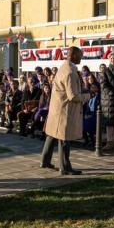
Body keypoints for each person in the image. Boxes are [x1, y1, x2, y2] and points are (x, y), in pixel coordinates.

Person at [40, 47, 88, 175]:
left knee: (52, 134)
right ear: (73, 56)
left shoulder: (63, 67)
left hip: (57, 108)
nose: (81, 58)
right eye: (80, 56)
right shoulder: (70, 72)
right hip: (65, 110)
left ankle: (45, 160)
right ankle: (65, 167)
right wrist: (88, 96)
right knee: (64, 138)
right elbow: (73, 96)